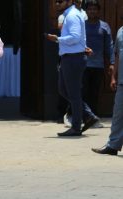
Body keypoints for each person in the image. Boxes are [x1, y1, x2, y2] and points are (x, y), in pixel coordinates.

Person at [46, 0, 99, 136]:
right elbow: (80, 37)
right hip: (69, 57)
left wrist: (58, 39)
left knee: (73, 93)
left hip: (73, 58)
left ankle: (76, 127)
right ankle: (88, 115)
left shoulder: (72, 15)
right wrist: (83, 46)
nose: (57, 4)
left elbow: (75, 37)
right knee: (64, 90)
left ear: (69, 1)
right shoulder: (69, 14)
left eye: (60, 1)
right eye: (56, 2)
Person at [91, 26, 123, 156]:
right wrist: (113, 76)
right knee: (118, 115)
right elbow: (116, 55)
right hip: (122, 81)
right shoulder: (121, 31)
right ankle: (113, 145)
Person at [82, 0, 114, 128]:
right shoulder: (82, 25)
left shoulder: (104, 26)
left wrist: (112, 62)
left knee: (95, 93)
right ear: (86, 11)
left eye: (95, 9)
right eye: (90, 9)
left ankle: (94, 118)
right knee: (83, 92)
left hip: (98, 65)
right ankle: (83, 118)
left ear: (98, 11)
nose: (92, 11)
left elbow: (109, 46)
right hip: (83, 65)